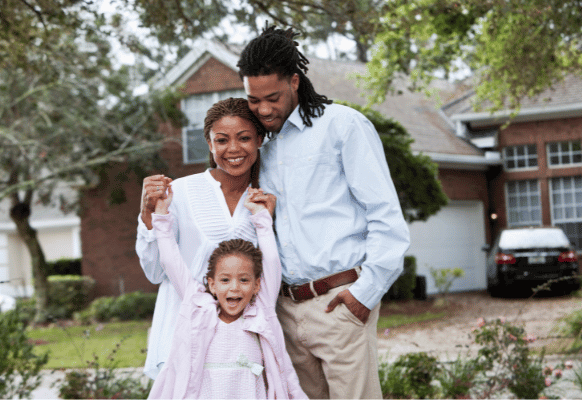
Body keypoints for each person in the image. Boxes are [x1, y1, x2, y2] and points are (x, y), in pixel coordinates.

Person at [237, 25, 411, 399]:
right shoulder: (257, 144)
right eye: (254, 100)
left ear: (295, 81)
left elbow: (386, 216)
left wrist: (364, 294)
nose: (264, 109)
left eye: (273, 97)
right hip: (283, 308)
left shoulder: (343, 126)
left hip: (339, 303)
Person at [136, 98, 269, 379]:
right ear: (209, 144)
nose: (233, 149)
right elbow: (155, 272)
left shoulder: (265, 199)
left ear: (259, 139)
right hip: (184, 335)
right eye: (222, 140)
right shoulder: (180, 193)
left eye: (244, 138)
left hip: (241, 341)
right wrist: (148, 214)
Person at [147, 185, 307, 399]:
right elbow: (170, 261)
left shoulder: (261, 312)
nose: (234, 287)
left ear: (257, 285)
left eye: (243, 280)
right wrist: (161, 215)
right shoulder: (198, 309)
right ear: (212, 284)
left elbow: (271, 261)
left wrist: (261, 217)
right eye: (225, 280)